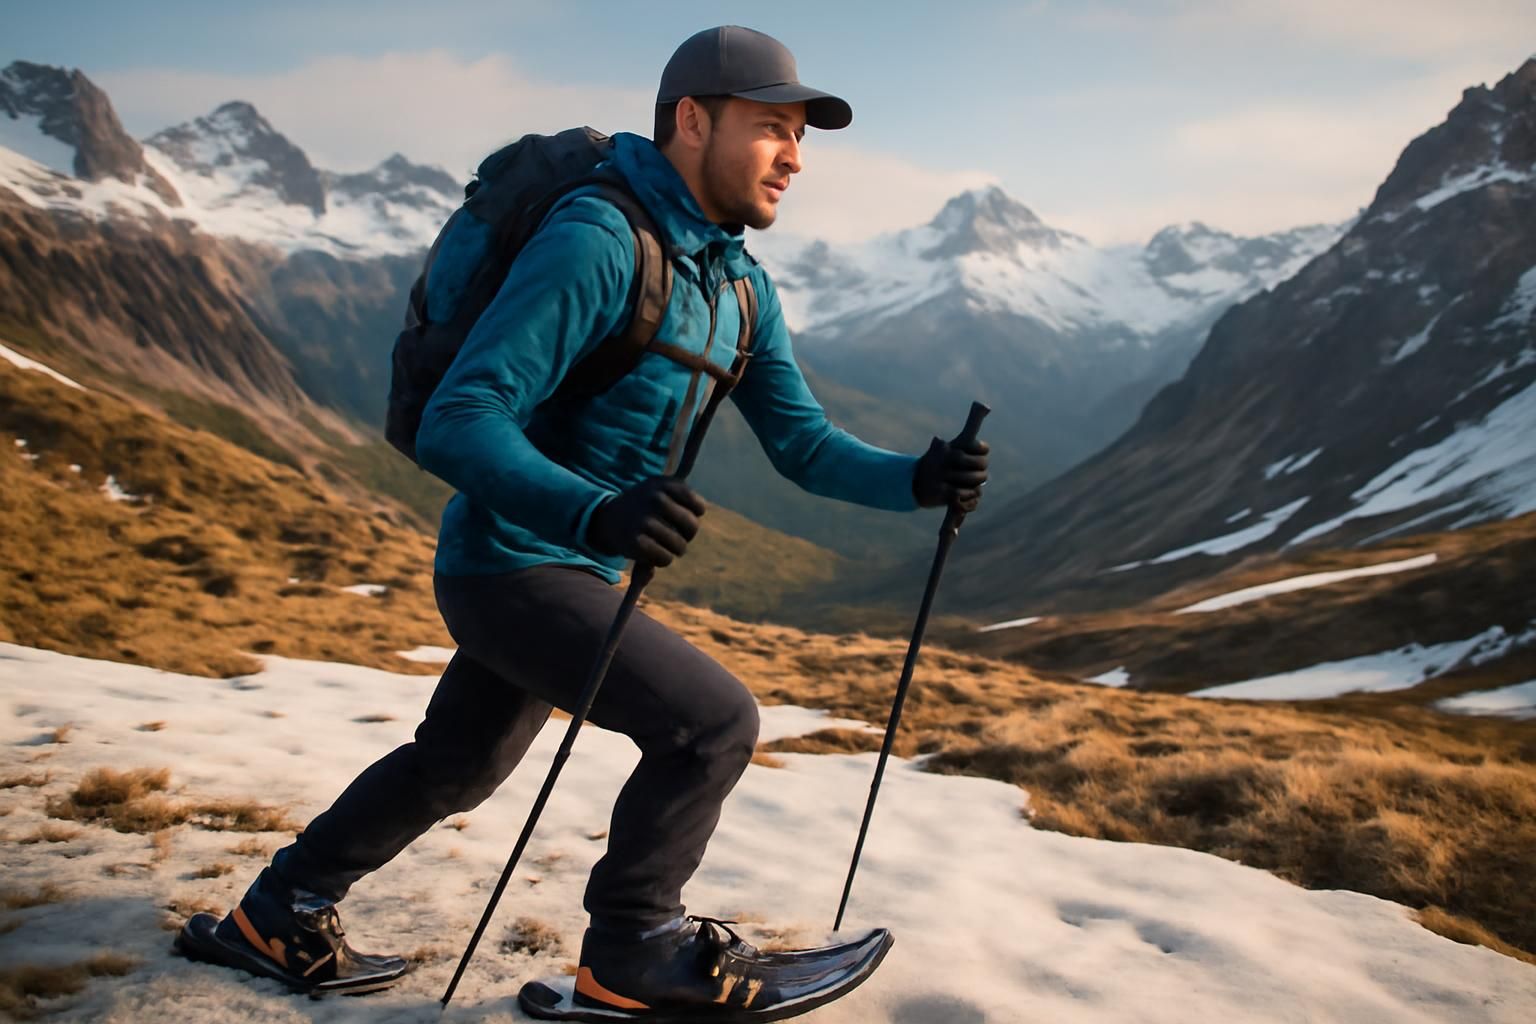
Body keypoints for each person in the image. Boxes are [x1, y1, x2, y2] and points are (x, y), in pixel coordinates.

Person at [180, 24, 989, 1012]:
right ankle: (635, 952)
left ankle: (280, 911)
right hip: (507, 565)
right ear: (692, 121)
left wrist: (918, 478)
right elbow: (460, 416)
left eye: (802, 136)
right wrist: (597, 510)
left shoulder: (738, 282)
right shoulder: (598, 240)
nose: (795, 156)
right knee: (711, 723)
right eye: (772, 127)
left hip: (572, 568)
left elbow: (804, 443)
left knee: (459, 761)